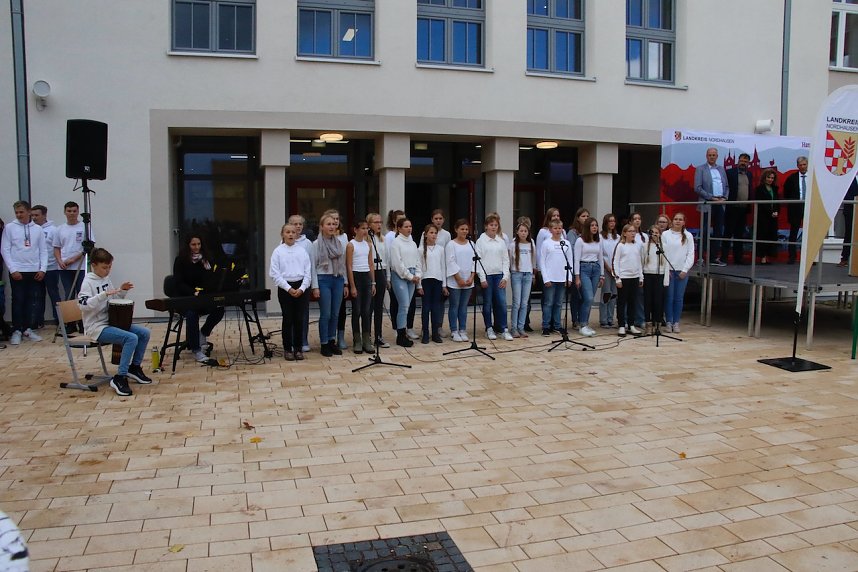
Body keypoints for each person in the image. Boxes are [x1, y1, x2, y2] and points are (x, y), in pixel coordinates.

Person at [78, 247, 152, 396]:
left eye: (110, 267)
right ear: (94, 265)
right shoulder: (88, 282)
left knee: (144, 333)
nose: (108, 270)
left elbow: (113, 302)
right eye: (104, 267)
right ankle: (120, 376)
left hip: (111, 322)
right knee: (130, 338)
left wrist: (122, 291)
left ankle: (134, 367)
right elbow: (83, 305)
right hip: (96, 327)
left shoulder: (106, 279)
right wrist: (103, 295)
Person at [172, 234, 226, 362]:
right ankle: (196, 349)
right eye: (193, 245)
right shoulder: (180, 260)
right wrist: (192, 292)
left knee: (219, 309)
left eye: (199, 244)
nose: (197, 247)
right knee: (192, 314)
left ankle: (203, 333)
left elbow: (211, 278)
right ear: (188, 246)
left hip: (203, 297)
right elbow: (178, 283)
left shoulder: (206, 260)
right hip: (187, 298)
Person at [1, 201, 46, 345]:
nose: (19, 215)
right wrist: (13, 269)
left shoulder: (37, 229)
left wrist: (42, 269)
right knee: (18, 300)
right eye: (16, 212)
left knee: (32, 301)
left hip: (34, 270)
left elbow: (43, 250)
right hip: (17, 271)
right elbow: (5, 249)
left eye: (21, 212)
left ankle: (28, 328)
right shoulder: (10, 228)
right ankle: (17, 330)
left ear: (28, 212)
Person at [269, 223, 311, 361]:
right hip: (285, 287)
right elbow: (275, 273)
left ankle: (298, 348)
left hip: (301, 287)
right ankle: (288, 348)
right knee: (288, 318)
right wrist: (288, 288)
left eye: (293, 232)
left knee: (299, 318)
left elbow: (307, 272)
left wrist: (302, 288)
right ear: (283, 234)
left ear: (297, 234)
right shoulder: (278, 251)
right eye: (288, 232)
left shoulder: (302, 251)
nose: (291, 234)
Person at [311, 212, 348, 357]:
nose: (332, 226)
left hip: (337, 279)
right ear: (321, 227)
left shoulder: (339, 242)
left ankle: (332, 341)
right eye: (328, 224)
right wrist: (315, 287)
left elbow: (343, 264)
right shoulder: (316, 244)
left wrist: (345, 283)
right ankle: (324, 343)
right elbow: (313, 266)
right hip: (323, 279)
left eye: (333, 224)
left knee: (335, 313)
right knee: (325, 314)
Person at [52, 201, 89, 331]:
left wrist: (73, 259)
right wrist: (60, 260)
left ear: (78, 212)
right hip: (64, 268)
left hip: (80, 266)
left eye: (74, 211)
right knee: (68, 295)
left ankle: (83, 323)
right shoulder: (60, 229)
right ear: (65, 212)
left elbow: (87, 247)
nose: (72, 213)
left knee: (81, 294)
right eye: (69, 211)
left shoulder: (85, 227)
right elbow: (56, 248)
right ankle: (70, 323)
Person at [476, 214, 512, 341]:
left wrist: (505, 277)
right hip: (487, 276)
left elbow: (506, 260)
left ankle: (503, 329)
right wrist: (482, 278)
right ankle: (489, 328)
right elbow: (478, 261)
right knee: (487, 304)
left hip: (499, 276)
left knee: (501, 303)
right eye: (491, 225)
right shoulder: (480, 241)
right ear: (486, 226)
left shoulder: (501, 242)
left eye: (496, 225)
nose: (493, 227)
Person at [694, 147, 729, 266]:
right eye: (710, 155)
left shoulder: (721, 169)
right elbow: (697, 188)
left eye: (714, 155)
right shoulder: (700, 169)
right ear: (706, 156)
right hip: (707, 203)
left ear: (717, 156)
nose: (712, 157)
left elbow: (727, 186)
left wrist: (724, 198)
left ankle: (714, 258)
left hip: (720, 204)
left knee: (719, 231)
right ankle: (701, 258)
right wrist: (711, 197)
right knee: (704, 231)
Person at [661, 212, 696, 333]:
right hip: (669, 271)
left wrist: (685, 270)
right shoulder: (665, 234)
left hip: (681, 271)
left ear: (684, 222)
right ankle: (669, 322)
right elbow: (663, 253)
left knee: (678, 298)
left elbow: (691, 254)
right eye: (675, 219)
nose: (678, 221)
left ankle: (676, 322)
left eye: (680, 219)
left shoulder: (688, 235)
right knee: (669, 297)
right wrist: (666, 270)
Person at [389, 217, 420, 347]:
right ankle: (400, 334)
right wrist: (409, 276)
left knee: (407, 306)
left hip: (412, 275)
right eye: (406, 226)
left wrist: (417, 275)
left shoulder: (412, 243)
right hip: (401, 276)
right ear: (399, 228)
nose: (409, 229)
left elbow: (418, 260)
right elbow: (397, 263)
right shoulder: (396, 243)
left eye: (410, 226)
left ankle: (404, 331)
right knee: (404, 304)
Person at [346, 219, 376, 354]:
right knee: (357, 310)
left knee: (366, 311)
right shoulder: (351, 245)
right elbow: (349, 265)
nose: (365, 231)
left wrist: (373, 282)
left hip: (366, 278)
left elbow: (371, 264)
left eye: (366, 228)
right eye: (362, 228)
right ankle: (357, 339)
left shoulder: (369, 245)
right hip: (356, 277)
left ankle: (366, 338)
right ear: (356, 230)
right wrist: (352, 286)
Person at [539, 220, 572, 336]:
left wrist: (570, 278)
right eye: (555, 228)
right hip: (550, 278)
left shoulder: (566, 243)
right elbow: (542, 261)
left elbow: (570, 260)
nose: (558, 230)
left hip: (562, 278)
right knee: (548, 303)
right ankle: (546, 326)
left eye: (560, 228)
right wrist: (545, 278)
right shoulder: (546, 243)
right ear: (550, 230)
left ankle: (557, 325)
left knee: (558, 303)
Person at [30, 205, 61, 329]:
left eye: (37, 215)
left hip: (51, 268)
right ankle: (37, 320)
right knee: (37, 295)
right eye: (32, 215)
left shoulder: (53, 230)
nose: (34, 218)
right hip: (36, 269)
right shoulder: (30, 230)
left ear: (44, 215)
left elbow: (57, 248)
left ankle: (59, 320)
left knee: (54, 294)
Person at [446, 219, 476, 342]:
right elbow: (450, 262)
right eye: (462, 229)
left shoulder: (471, 244)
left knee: (464, 306)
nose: (464, 231)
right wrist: (458, 278)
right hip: (455, 281)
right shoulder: (451, 244)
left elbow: (475, 261)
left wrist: (471, 277)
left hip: (468, 280)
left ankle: (462, 329)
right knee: (455, 305)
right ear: (456, 229)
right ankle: (454, 330)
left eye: (466, 229)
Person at [573, 217, 604, 337]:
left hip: (595, 268)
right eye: (592, 225)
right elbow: (576, 259)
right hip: (584, 268)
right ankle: (582, 324)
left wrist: (602, 275)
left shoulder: (598, 240)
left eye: (596, 225)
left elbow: (600, 257)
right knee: (589, 297)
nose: (595, 227)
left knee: (589, 299)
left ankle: (585, 323)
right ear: (587, 227)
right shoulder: (580, 241)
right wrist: (577, 276)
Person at [612, 224, 644, 337]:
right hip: (624, 278)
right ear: (624, 233)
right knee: (622, 302)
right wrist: (617, 278)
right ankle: (621, 325)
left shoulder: (637, 246)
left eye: (634, 231)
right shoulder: (620, 246)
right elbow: (615, 262)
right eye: (630, 231)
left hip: (634, 277)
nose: (633, 233)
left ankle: (631, 325)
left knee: (633, 302)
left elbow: (639, 262)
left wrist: (641, 277)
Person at [418, 225, 447, 344]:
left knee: (436, 307)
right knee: (426, 308)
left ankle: (435, 333)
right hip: (426, 280)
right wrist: (419, 285)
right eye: (431, 233)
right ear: (425, 234)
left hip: (437, 280)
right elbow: (418, 267)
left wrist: (444, 285)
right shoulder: (420, 250)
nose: (434, 235)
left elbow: (443, 267)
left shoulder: (440, 249)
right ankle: (425, 333)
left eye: (435, 233)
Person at [289, 214, 314, 351]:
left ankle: (303, 340)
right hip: (289, 284)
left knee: (303, 313)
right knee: (290, 314)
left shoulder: (308, 243)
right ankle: (291, 341)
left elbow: (311, 266)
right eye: (295, 224)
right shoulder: (284, 243)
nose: (298, 226)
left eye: (300, 224)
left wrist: (310, 284)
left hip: (304, 283)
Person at [366, 213, 391, 348]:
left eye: (380, 222)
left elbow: (386, 259)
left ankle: (378, 335)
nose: (379, 225)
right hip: (370, 271)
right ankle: (367, 335)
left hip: (381, 271)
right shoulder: (366, 239)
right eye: (375, 222)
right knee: (369, 306)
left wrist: (387, 278)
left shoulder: (383, 239)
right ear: (369, 224)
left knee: (379, 306)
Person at [725, 153, 752, 265]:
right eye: (741, 161)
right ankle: (723, 258)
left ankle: (738, 258)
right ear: (737, 161)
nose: (743, 163)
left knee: (739, 235)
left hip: (743, 209)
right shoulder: (730, 173)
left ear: (748, 163)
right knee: (728, 233)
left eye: (745, 161)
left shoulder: (749, 174)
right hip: (732, 208)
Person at [509, 222, 535, 338]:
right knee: (517, 302)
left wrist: (533, 274)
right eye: (521, 231)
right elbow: (510, 260)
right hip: (517, 274)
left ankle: (521, 327)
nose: (523, 233)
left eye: (525, 231)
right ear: (517, 232)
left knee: (524, 303)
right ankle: (514, 328)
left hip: (528, 275)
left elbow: (533, 259)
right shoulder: (513, 244)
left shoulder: (531, 243)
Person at [642, 224, 669, 336]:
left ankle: (657, 324)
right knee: (647, 300)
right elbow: (641, 261)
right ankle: (648, 325)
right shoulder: (644, 246)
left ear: (660, 234)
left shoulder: (664, 246)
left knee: (658, 301)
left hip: (660, 275)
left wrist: (666, 280)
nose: (654, 234)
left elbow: (667, 264)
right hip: (648, 275)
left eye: (656, 233)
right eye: (652, 232)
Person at [566, 207, 590, 327]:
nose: (585, 218)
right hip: (576, 266)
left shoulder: (590, 232)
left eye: (587, 216)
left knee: (585, 295)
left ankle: (583, 318)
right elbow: (572, 249)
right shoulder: (572, 232)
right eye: (583, 216)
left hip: (587, 266)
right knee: (576, 295)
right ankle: (575, 319)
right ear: (578, 218)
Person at [782, 156, 807, 265]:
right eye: (800, 165)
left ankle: (807, 258)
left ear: (807, 165)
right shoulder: (791, 178)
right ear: (797, 166)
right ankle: (792, 257)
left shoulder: (812, 177)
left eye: (804, 164)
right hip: (795, 208)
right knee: (793, 233)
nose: (802, 167)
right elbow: (786, 193)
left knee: (807, 234)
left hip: (808, 207)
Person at [754, 168, 780, 265]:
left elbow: (778, 202)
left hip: (773, 217)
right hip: (763, 217)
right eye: (768, 177)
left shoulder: (775, 189)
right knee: (763, 236)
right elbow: (761, 204)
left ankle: (769, 256)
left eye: (772, 178)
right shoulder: (759, 189)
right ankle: (763, 257)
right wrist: (770, 212)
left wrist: (776, 211)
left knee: (771, 236)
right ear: (764, 178)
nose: (770, 179)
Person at [599, 213, 619, 329]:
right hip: (606, 268)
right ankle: (603, 319)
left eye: (613, 221)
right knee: (606, 293)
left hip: (616, 269)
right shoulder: (601, 237)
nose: (612, 223)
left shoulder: (618, 237)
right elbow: (601, 254)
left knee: (614, 294)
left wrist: (615, 267)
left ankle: (611, 318)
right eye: (609, 221)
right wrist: (607, 267)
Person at [840, 178, 858, 267]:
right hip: (850, 209)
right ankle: (844, 258)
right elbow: (843, 192)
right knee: (849, 233)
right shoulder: (849, 176)